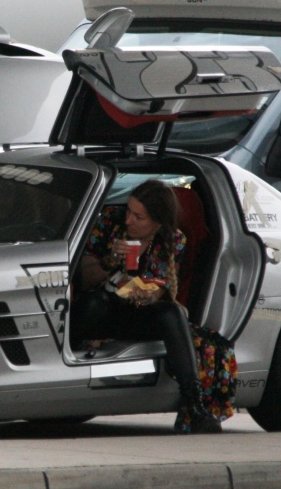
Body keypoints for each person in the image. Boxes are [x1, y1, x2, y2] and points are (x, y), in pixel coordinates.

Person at [73, 179, 228, 434]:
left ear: (157, 222)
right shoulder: (110, 222)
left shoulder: (172, 238)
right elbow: (84, 279)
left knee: (172, 312)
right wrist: (110, 260)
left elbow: (160, 289)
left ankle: (194, 403)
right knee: (93, 303)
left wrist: (147, 295)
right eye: (129, 212)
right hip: (101, 310)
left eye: (139, 217)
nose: (129, 221)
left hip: (134, 313)